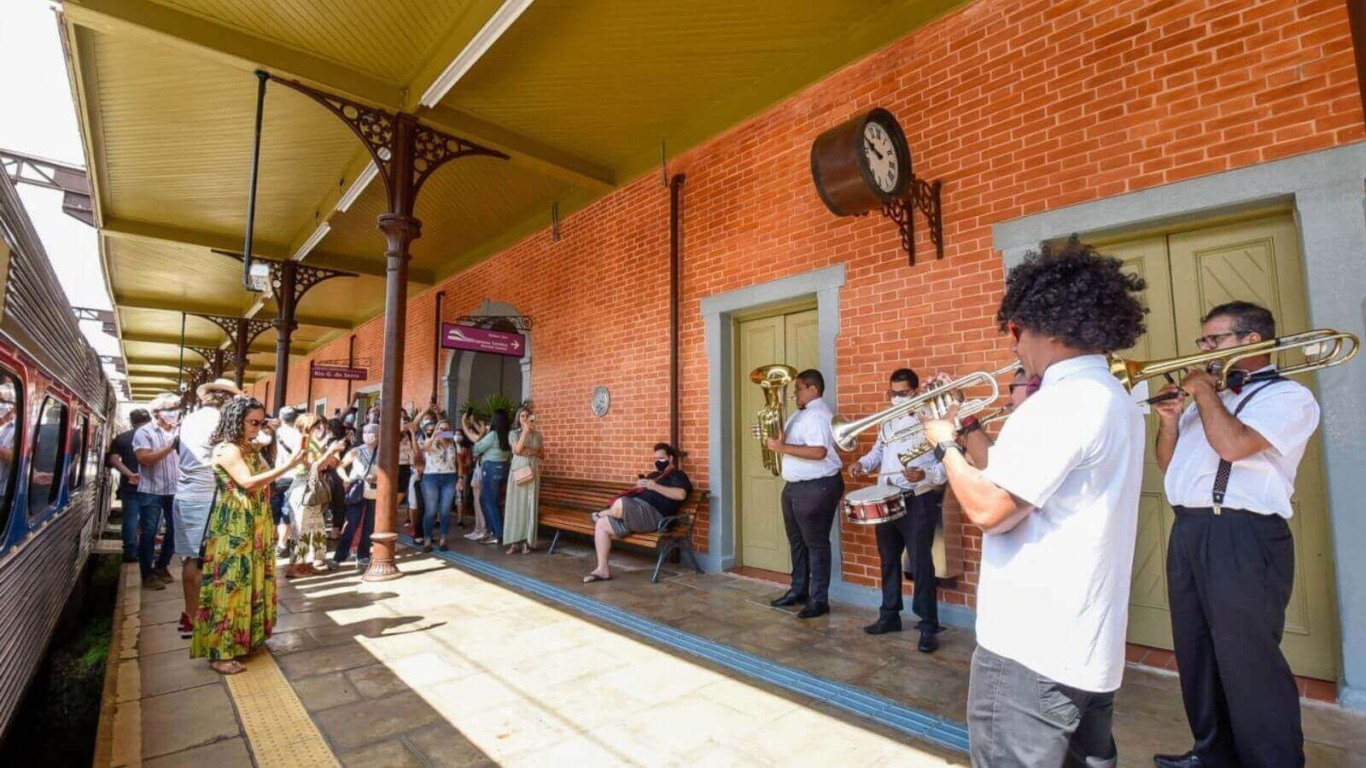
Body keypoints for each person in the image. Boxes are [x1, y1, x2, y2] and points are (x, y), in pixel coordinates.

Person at [918, 236, 1146, 767]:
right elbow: (1011, 477)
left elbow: (989, 510)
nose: (1013, 347)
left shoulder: (1061, 402)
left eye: (1014, 332)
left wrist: (943, 443)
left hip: (1031, 648)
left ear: (1035, 324)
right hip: (1084, 648)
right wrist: (966, 425)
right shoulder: (1111, 396)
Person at [1150, 302, 1318, 768]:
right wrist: (1168, 422)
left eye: (1213, 341)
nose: (1203, 349)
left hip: (1243, 535)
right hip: (1191, 529)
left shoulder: (1288, 398)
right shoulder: (1212, 397)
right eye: (1203, 341)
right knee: (1197, 652)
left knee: (1249, 661)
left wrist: (1204, 392)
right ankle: (1213, 753)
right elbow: (1170, 467)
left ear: (1251, 341)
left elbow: (1234, 445)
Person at [192, 396, 305, 675]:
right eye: (253, 422)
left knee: (252, 581)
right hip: (235, 524)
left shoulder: (249, 447)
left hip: (254, 523)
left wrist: (272, 436)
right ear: (235, 421)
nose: (257, 427)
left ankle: (245, 640)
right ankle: (221, 653)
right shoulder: (228, 450)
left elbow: (268, 471)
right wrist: (290, 465)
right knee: (231, 585)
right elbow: (249, 483)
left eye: (260, 422)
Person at [849, 368, 947, 651]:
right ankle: (889, 614)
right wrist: (863, 464)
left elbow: (949, 459)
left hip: (917, 497)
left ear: (914, 392)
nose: (896, 398)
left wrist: (927, 475)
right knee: (888, 558)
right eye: (892, 393)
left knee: (921, 562)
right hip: (887, 497)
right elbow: (878, 453)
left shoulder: (930, 419)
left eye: (902, 393)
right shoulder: (887, 421)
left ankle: (928, 624)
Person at [766, 369, 844, 619]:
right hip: (796, 487)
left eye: (798, 389)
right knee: (797, 542)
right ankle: (798, 590)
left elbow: (819, 451)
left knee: (816, 544)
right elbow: (787, 444)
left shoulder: (819, 415)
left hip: (817, 486)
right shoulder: (801, 415)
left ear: (813, 389)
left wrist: (782, 447)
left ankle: (819, 600)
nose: (794, 394)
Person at [171, 378, 241, 639]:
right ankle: (195, 617)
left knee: (191, 559)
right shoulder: (219, 422)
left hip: (186, 494)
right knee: (202, 561)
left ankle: (189, 613)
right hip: (206, 497)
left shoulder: (190, 419)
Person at [582, 443, 692, 583]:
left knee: (621, 503)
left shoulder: (678, 475)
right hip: (636, 514)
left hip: (654, 516)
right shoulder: (654, 475)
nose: (658, 462)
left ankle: (604, 513)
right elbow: (640, 493)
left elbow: (681, 495)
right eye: (656, 459)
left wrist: (654, 486)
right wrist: (638, 486)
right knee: (602, 525)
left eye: (661, 458)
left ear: (670, 458)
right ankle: (602, 570)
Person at [133, 393, 182, 590]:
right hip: (151, 490)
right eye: (170, 409)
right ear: (157, 412)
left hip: (175, 489)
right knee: (149, 532)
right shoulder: (144, 433)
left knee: (175, 529)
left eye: (176, 408)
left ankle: (162, 565)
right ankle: (148, 573)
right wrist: (170, 448)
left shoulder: (181, 430)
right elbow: (144, 459)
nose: (175, 413)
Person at [286, 414, 344, 577]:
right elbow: (313, 465)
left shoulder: (312, 442)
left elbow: (321, 465)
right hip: (304, 485)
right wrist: (330, 451)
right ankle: (296, 566)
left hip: (313, 485)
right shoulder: (303, 441)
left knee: (314, 526)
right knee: (303, 527)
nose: (321, 429)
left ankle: (308, 563)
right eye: (317, 426)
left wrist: (330, 455)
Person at [330, 423, 380, 569]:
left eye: (371, 432)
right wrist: (346, 479)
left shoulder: (383, 451)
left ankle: (363, 555)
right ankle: (339, 556)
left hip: (373, 489)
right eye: (365, 431)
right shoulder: (356, 450)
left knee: (369, 524)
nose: (367, 434)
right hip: (358, 487)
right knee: (351, 523)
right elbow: (340, 466)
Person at [107, 409, 151, 563]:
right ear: (149, 420)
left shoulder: (122, 438)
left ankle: (130, 553)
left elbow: (113, 460)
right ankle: (145, 552)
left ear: (132, 421)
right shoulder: (155, 437)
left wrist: (130, 475)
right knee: (149, 521)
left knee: (130, 519)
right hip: (152, 487)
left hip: (129, 486)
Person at [502, 405, 544, 555]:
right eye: (522, 416)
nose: (525, 418)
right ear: (518, 419)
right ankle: (514, 542)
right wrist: (525, 432)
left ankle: (528, 542)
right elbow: (517, 450)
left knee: (529, 505)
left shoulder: (538, 435)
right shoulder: (513, 434)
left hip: (533, 470)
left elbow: (542, 455)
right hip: (518, 470)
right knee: (516, 505)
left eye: (527, 416)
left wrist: (532, 451)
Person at [468, 409, 512, 544]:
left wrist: (481, 435)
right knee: (490, 501)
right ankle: (497, 531)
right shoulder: (508, 435)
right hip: (504, 469)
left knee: (488, 501)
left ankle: (497, 534)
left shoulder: (493, 435)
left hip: (491, 469)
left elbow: (476, 449)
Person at [419, 416, 462, 551]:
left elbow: (459, 462)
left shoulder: (454, 444)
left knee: (445, 510)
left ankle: (443, 539)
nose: (443, 431)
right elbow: (424, 448)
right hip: (431, 477)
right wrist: (433, 437)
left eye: (446, 429)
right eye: (441, 428)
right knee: (431, 510)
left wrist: (460, 478)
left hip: (449, 477)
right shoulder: (430, 441)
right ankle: (427, 539)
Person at [271, 407, 302, 558]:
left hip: (275, 476)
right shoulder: (300, 435)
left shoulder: (273, 433)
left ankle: (270, 540)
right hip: (294, 476)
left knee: (272, 510)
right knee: (286, 511)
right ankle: (282, 544)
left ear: (281, 417)